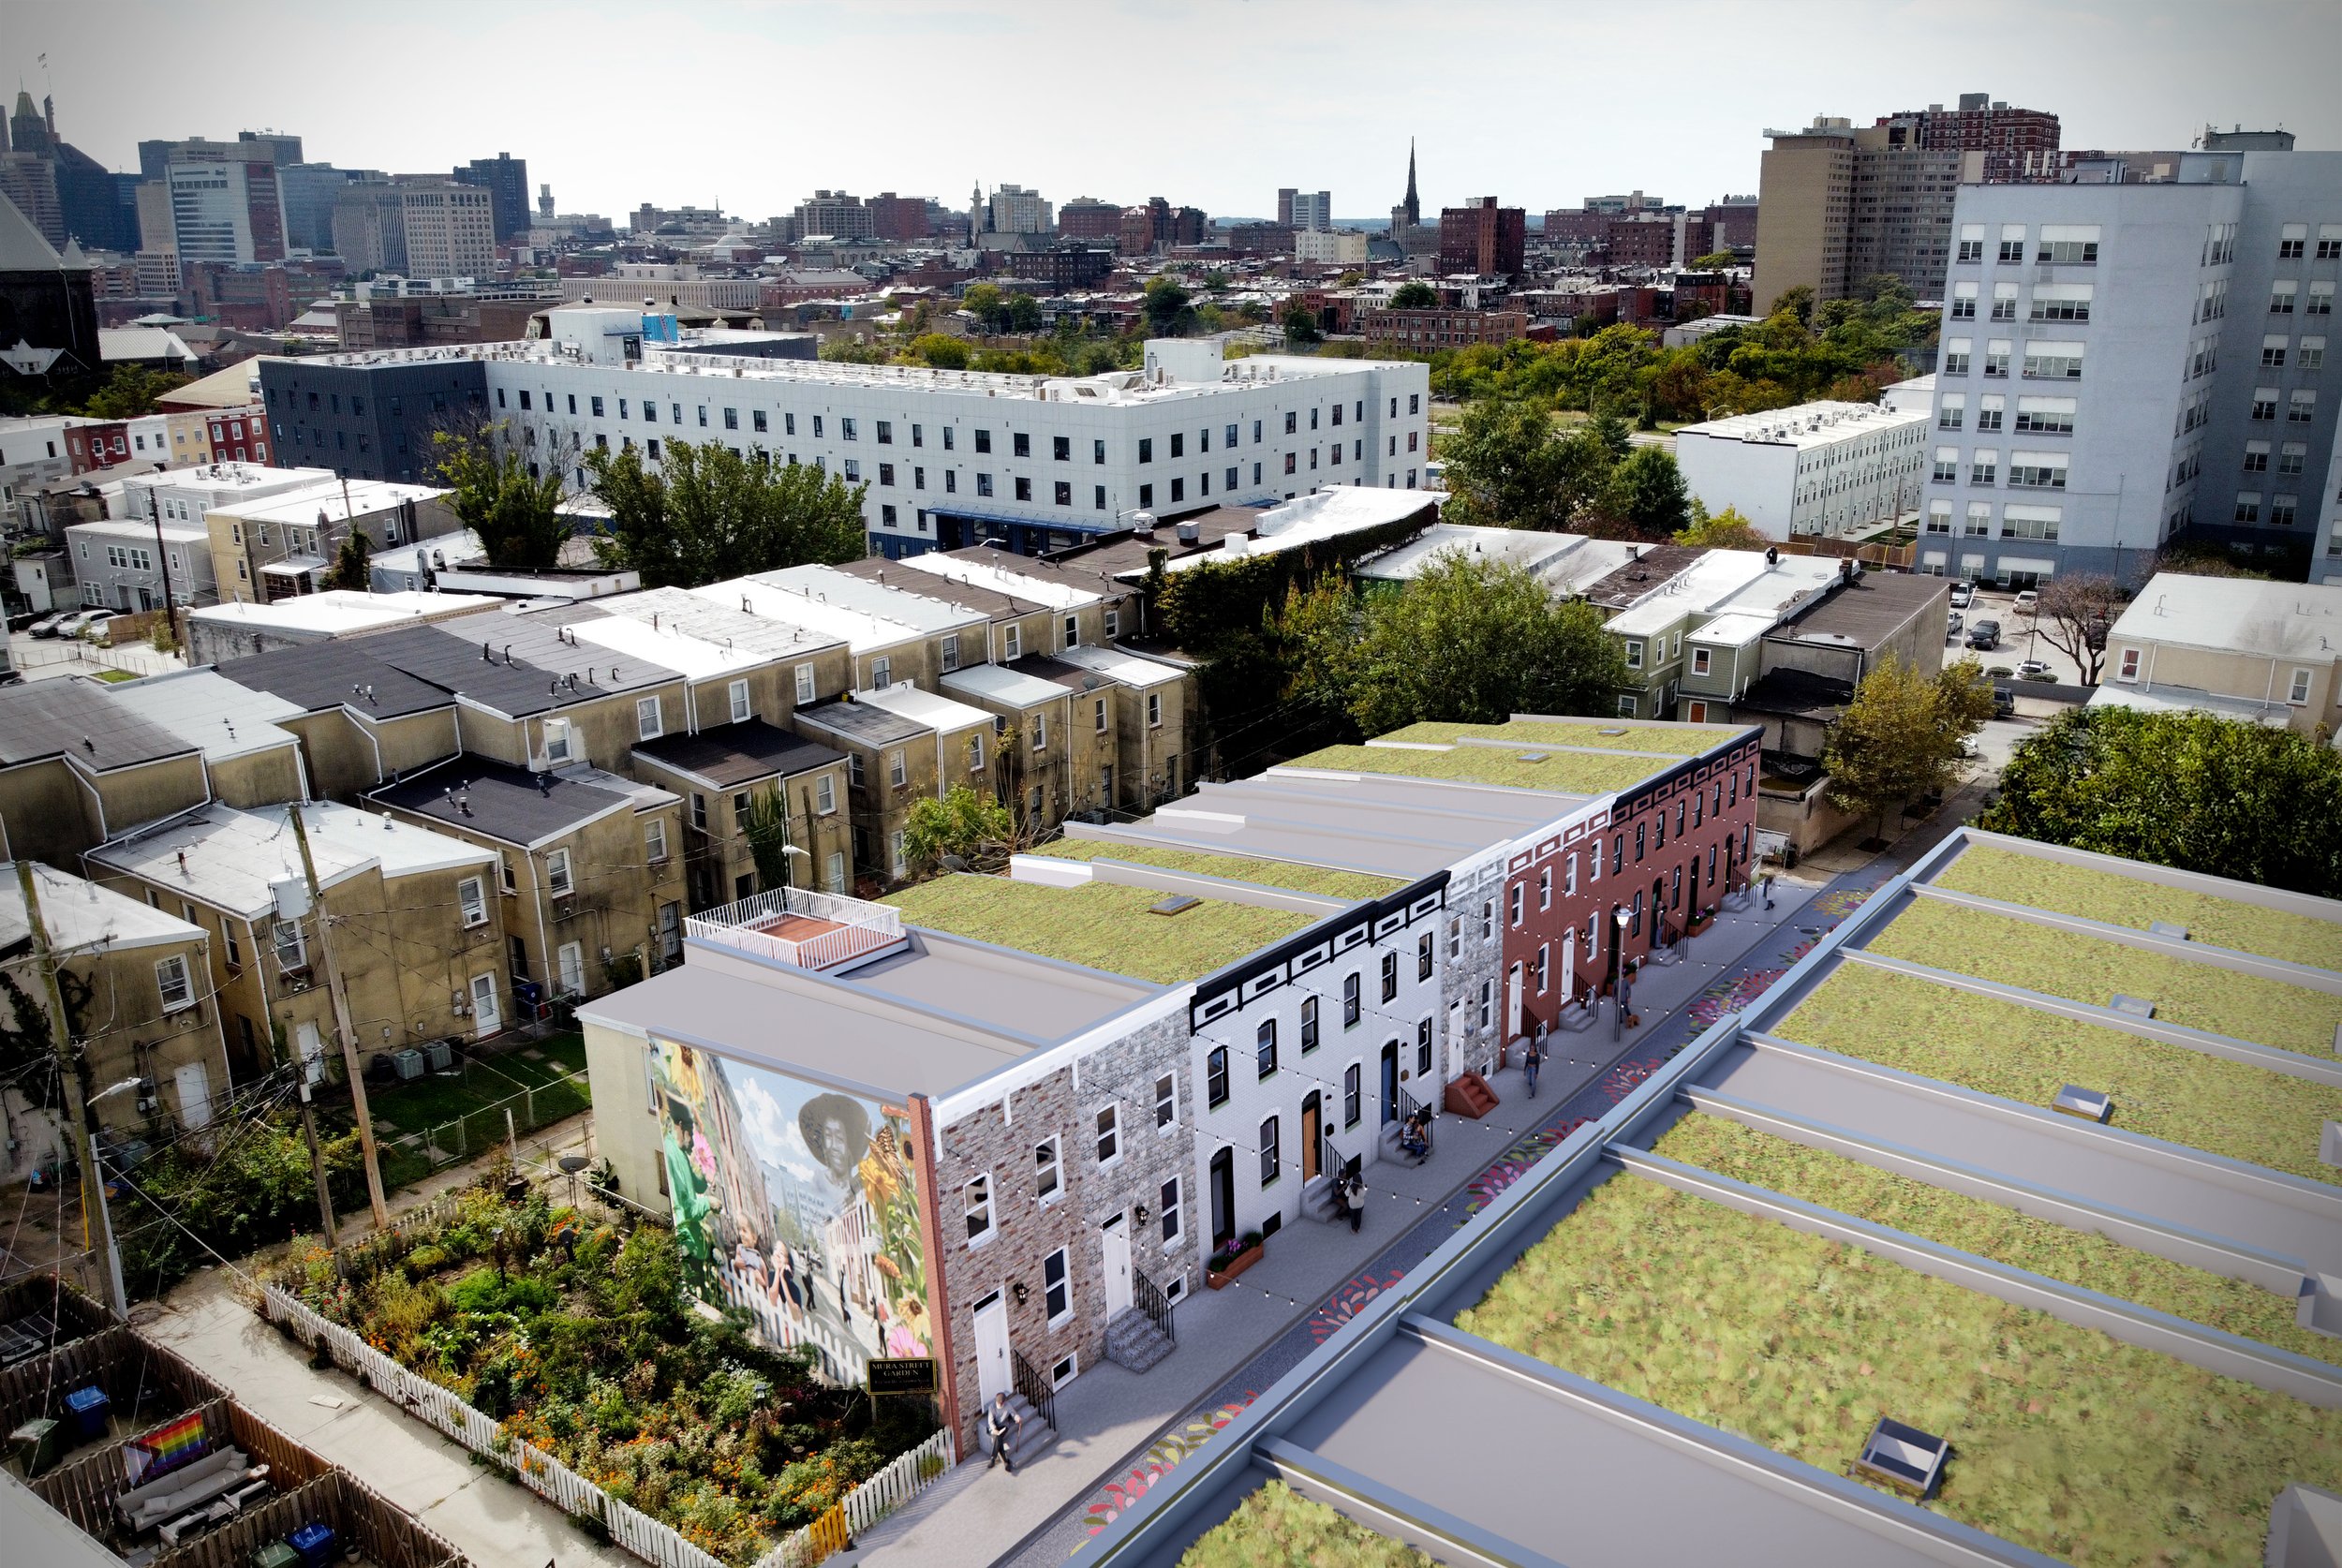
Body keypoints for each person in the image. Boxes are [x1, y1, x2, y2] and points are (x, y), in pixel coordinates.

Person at [986, 1390, 1023, 1473]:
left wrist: (1017, 1418)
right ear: (996, 1401)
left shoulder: (1008, 1405)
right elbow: (990, 1421)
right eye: (999, 1403)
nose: (1001, 1405)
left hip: (1003, 1426)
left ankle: (993, 1459)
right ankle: (1006, 1462)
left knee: (997, 1439)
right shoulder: (992, 1407)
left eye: (1002, 1403)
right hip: (994, 1427)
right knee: (998, 1438)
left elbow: (1013, 1414)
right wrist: (994, 1429)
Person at [1341, 1170, 1365, 1234]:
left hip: (1352, 1205)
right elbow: (1363, 1195)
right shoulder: (1362, 1187)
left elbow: (1346, 1194)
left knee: (1353, 1217)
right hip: (1360, 1204)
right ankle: (1358, 1228)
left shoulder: (1350, 1187)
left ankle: (1353, 1229)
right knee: (1359, 1216)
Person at [1522, 1034, 1544, 1099]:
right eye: (1531, 1048)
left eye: (1533, 1048)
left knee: (1533, 1081)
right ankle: (1532, 1085)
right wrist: (1524, 1070)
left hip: (1534, 1068)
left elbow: (1537, 1065)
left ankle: (1532, 1094)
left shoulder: (1537, 1056)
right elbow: (1526, 1061)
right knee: (1529, 1080)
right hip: (1528, 1068)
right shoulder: (1528, 1053)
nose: (1532, 1049)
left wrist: (1537, 1073)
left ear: (1535, 1048)